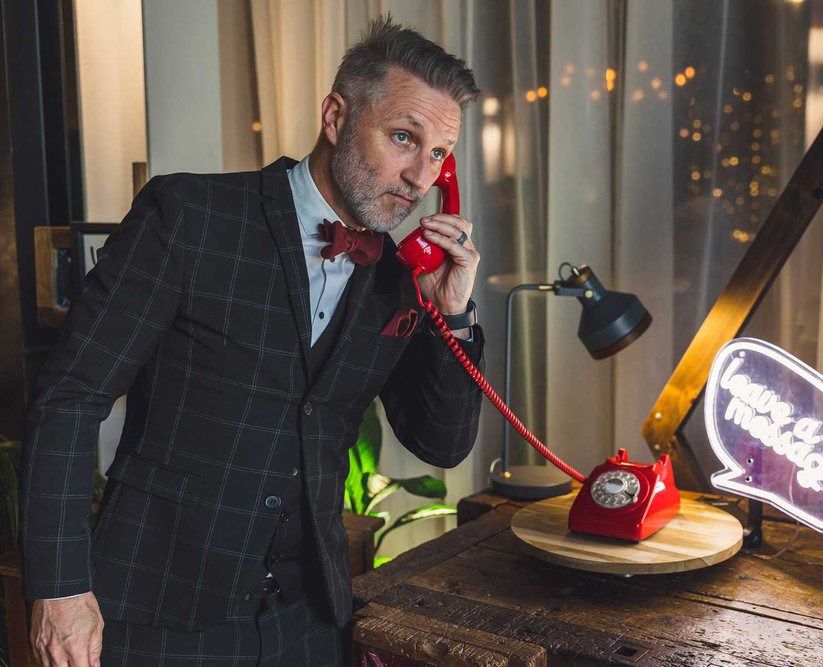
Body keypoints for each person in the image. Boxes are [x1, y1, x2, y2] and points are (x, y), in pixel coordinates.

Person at [19, 15, 483, 666]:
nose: (420, 178)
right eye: (404, 138)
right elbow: (70, 396)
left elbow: (441, 441)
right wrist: (60, 589)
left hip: (309, 624)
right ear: (336, 117)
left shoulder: (398, 281)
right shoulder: (188, 216)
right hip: (159, 615)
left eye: (438, 154)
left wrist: (452, 317)